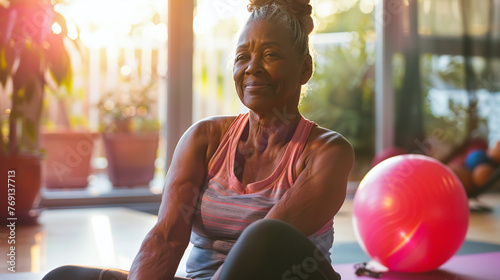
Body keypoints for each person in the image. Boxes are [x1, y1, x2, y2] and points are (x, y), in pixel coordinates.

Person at [42, 0, 354, 279]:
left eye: (270, 54)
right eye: (242, 56)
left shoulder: (327, 152)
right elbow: (167, 237)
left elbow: (268, 248)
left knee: (265, 236)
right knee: (63, 278)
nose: (252, 68)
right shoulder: (204, 139)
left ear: (305, 68)